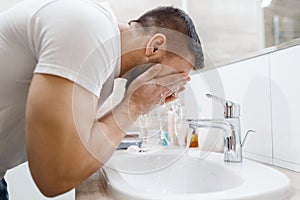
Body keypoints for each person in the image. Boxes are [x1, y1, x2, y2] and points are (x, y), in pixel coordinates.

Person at [0, 0, 204, 198]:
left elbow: (77, 150)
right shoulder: (88, 29)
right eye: (174, 78)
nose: (173, 92)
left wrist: (133, 106)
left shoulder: (103, 63)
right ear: (155, 46)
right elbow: (55, 175)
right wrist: (134, 105)